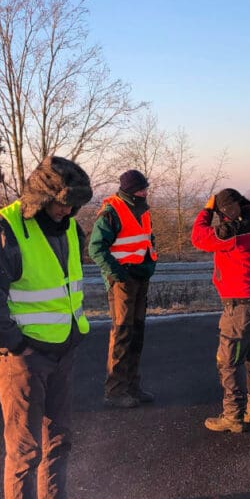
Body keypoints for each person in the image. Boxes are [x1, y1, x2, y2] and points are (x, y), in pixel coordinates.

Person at [0, 155, 97, 499]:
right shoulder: (3, 229)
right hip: (23, 357)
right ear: (39, 198)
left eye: (73, 205)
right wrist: (16, 343)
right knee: (25, 450)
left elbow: (68, 286)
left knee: (60, 439)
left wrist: (73, 335)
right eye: (62, 203)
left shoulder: (69, 227)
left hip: (63, 349)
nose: (68, 211)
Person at [191, 188, 250, 433]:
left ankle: (233, 415)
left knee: (229, 360)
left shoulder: (232, 233)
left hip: (240, 303)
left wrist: (206, 210)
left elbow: (198, 237)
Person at [88, 169, 157, 408]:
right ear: (130, 190)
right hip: (123, 282)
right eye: (141, 188)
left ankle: (132, 387)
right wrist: (119, 275)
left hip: (139, 278)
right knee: (122, 333)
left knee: (136, 333)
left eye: (145, 188)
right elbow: (96, 249)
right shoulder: (111, 212)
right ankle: (115, 390)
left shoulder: (142, 210)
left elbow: (147, 240)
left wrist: (149, 265)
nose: (145, 192)